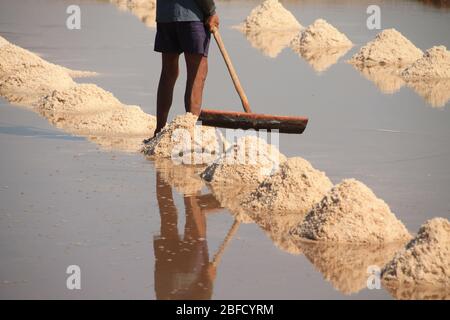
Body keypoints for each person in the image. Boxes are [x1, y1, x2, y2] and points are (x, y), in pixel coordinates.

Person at [153, 0, 219, 136]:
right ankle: (190, 132)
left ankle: (159, 130)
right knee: (197, 73)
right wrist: (211, 12)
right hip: (192, 15)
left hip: (166, 16)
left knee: (168, 72)